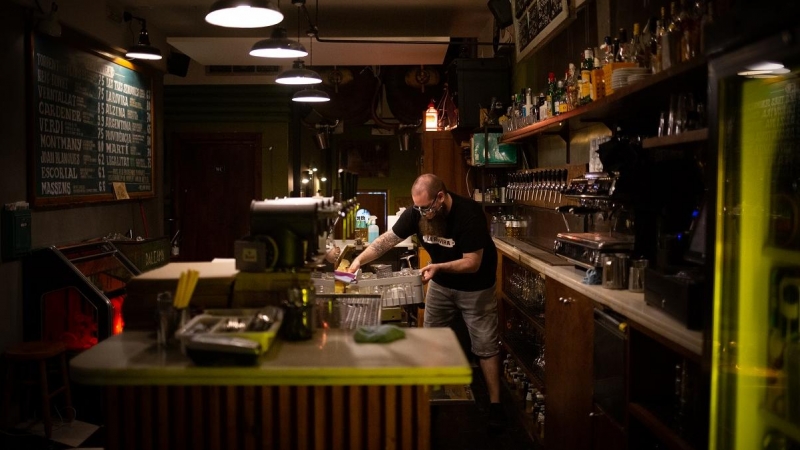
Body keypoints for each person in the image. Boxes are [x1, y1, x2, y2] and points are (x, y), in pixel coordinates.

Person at [347, 174, 504, 427]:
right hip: (442, 285)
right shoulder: (417, 213)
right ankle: (431, 397)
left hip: (476, 288)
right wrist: (358, 261)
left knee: (485, 345)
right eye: (417, 208)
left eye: (427, 208)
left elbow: (472, 263)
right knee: (431, 338)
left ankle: (496, 405)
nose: (422, 213)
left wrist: (438, 267)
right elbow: (387, 240)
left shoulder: (469, 214)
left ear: (440, 197)